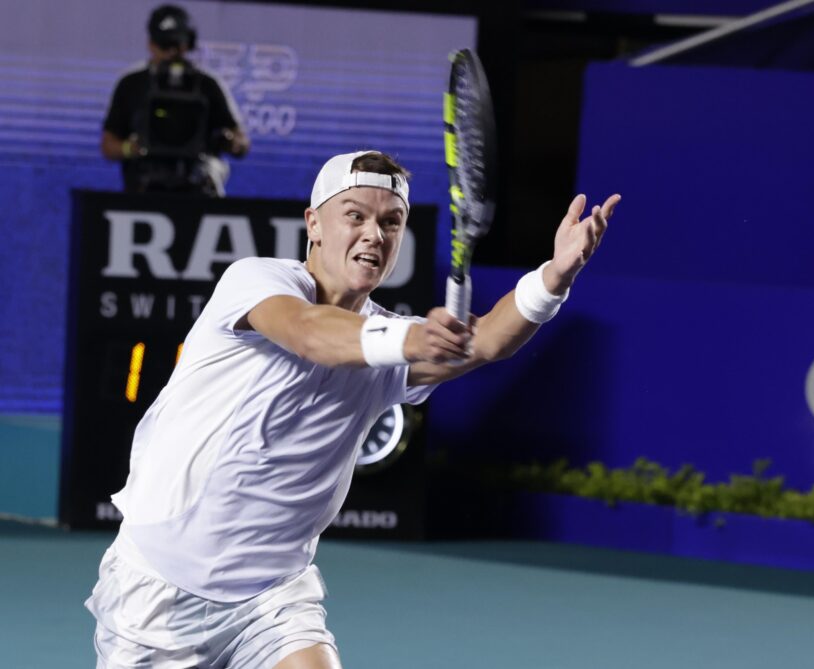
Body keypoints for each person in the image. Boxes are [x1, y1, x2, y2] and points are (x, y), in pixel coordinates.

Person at [85, 149, 620, 669]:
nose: (374, 234)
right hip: (158, 590)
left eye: (390, 222)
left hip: (271, 599)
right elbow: (308, 333)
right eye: (355, 216)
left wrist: (555, 276)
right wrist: (410, 340)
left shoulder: (389, 344)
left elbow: (486, 342)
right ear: (314, 224)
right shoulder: (257, 280)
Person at [100, 4, 249, 196]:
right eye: (164, 45)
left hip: (198, 188)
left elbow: (241, 141)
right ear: (150, 44)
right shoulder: (131, 84)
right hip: (144, 189)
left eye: (176, 45)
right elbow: (108, 145)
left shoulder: (207, 84)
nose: (171, 53)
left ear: (188, 44)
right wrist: (132, 148)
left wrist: (231, 143)